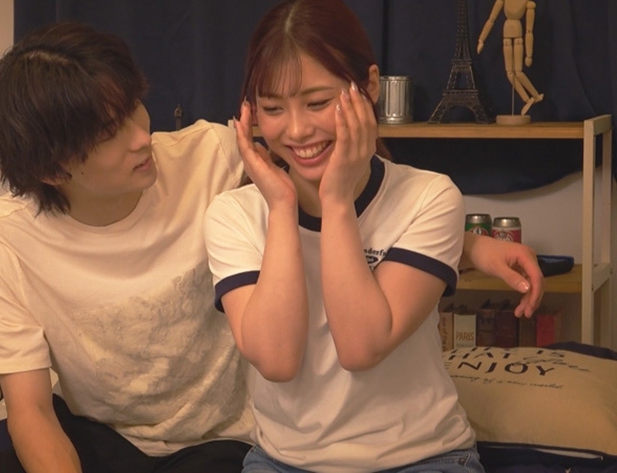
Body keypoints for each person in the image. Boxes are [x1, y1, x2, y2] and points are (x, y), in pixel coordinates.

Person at [0, 19, 543, 473]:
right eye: (110, 134)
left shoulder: (210, 155)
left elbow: (345, 191)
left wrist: (468, 244)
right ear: (53, 170)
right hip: (102, 435)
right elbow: (30, 410)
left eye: (134, 108)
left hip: (221, 439)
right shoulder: (2, 238)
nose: (143, 137)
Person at [203, 0, 512, 471]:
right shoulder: (233, 216)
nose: (297, 130)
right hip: (284, 461)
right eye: (273, 108)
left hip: (420, 458)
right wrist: (282, 206)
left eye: (317, 102)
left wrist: (336, 201)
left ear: (369, 86)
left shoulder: (431, 198)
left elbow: (361, 346)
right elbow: (277, 361)